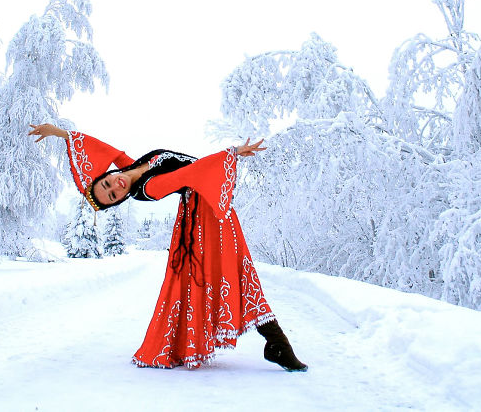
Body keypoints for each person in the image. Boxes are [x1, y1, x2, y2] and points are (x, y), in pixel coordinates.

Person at [28, 123, 307, 371]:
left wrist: (60, 133)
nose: (116, 185)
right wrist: (231, 153)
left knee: (237, 270)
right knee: (234, 271)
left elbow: (110, 152)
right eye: (113, 195)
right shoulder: (150, 188)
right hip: (205, 215)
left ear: (109, 175)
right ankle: (276, 343)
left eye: (108, 182)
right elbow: (186, 175)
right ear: (120, 200)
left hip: (210, 206)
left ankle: (276, 344)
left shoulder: (132, 168)